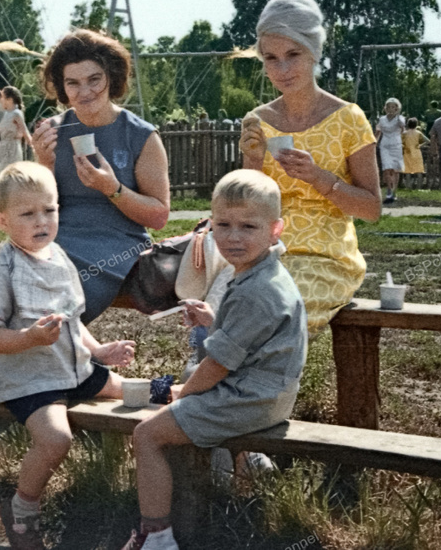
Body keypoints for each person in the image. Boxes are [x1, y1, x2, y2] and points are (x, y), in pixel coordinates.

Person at [121, 170, 307, 550]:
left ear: (275, 229)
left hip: (249, 399)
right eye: (223, 224)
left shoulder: (254, 289)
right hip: (265, 390)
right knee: (162, 391)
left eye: (248, 226)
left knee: (147, 434)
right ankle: (246, 467)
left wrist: (185, 394)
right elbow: (251, 338)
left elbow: (217, 365)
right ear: (209, 225)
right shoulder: (262, 272)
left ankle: (155, 536)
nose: (234, 237)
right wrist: (213, 321)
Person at [0, 161, 136, 550]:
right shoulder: (3, 273)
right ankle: (22, 511)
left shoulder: (58, 257)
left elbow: (72, 319)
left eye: (49, 210)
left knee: (141, 394)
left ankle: (184, 396)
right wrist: (29, 338)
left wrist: (99, 350)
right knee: (56, 439)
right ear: (2, 220)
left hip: (75, 369)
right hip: (32, 380)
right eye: (27, 214)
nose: (41, 221)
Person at [239, 0, 381, 335]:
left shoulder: (348, 118)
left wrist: (321, 178)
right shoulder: (257, 121)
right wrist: (254, 164)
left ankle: (253, 388)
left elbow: (372, 208)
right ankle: (217, 387)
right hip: (264, 253)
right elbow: (242, 210)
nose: (283, 69)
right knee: (223, 309)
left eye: (293, 54)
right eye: (271, 58)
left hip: (326, 259)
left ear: (314, 52)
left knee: (279, 312)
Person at [32, 29, 171, 324]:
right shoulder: (53, 133)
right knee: (15, 277)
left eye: (94, 79)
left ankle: (74, 362)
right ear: (62, 86)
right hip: (60, 237)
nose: (85, 92)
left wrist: (113, 189)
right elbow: (37, 209)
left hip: (118, 243)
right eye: (73, 83)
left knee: (59, 301)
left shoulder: (140, 135)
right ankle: (73, 363)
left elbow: (159, 216)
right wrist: (44, 163)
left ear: (112, 77)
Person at [375, 98, 405, 204]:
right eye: (389, 107)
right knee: (386, 168)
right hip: (385, 145)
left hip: (396, 145)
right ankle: (388, 188)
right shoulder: (382, 119)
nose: (390, 109)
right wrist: (375, 142)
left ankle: (394, 191)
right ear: (385, 108)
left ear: (397, 108)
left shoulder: (400, 118)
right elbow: (378, 131)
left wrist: (397, 116)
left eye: (393, 107)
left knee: (395, 169)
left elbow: (403, 128)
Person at [0, 86, 33, 174]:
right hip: (4, 147)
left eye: (2, 97)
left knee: (11, 173)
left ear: (10, 99)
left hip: (12, 148)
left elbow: (24, 130)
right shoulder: (6, 114)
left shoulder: (16, 113)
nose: (1, 100)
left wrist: (32, 145)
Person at [401, 117, 428, 187]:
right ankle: (419, 186)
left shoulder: (404, 133)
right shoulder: (418, 133)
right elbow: (428, 141)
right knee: (419, 171)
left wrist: (404, 146)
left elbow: (398, 142)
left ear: (407, 124)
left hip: (407, 152)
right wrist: (420, 145)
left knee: (408, 171)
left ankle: (408, 186)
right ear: (416, 125)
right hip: (416, 152)